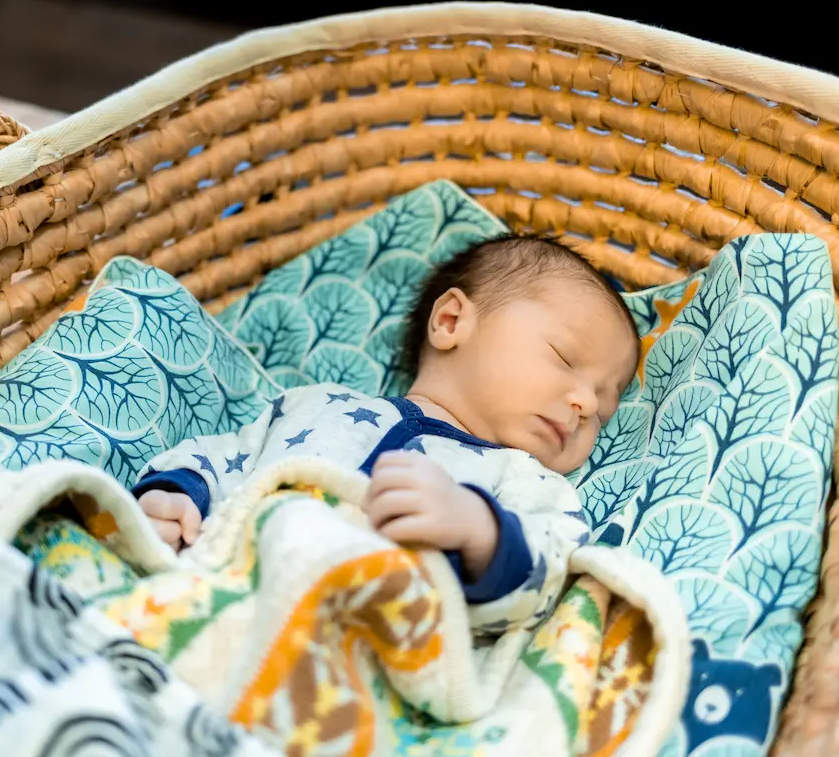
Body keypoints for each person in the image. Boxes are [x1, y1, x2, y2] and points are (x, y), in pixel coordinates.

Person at [131, 235, 640, 630]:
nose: (586, 404)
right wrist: (178, 496)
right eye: (565, 358)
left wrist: (479, 532)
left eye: (603, 411)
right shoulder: (319, 404)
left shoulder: (526, 484)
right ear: (450, 320)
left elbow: (547, 577)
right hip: (215, 598)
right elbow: (226, 457)